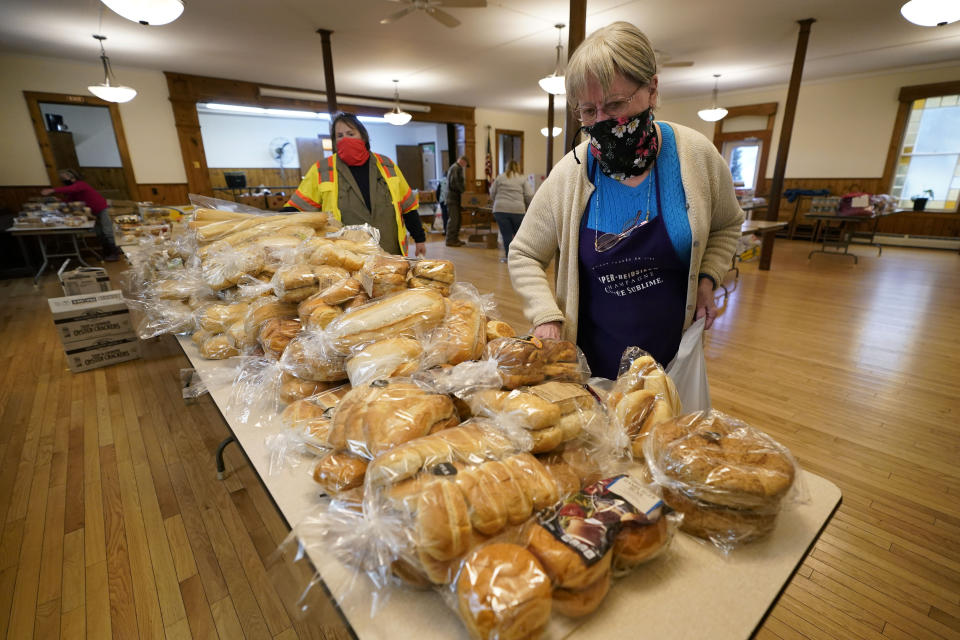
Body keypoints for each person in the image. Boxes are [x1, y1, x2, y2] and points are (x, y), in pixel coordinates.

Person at [508, 21, 744, 379]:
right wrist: (546, 316)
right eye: (588, 112)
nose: (603, 122)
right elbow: (524, 252)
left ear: (652, 88)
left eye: (615, 104)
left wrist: (709, 278)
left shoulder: (695, 156)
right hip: (590, 367)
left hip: (672, 362)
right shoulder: (570, 174)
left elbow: (726, 225)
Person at [286, 112, 426, 257]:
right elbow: (297, 208)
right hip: (347, 256)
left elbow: (408, 206)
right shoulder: (322, 169)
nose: (345, 139)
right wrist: (269, 223)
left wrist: (419, 238)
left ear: (363, 136)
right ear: (335, 141)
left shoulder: (387, 165)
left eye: (350, 133)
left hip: (390, 252)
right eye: (340, 136)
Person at [41, 169, 120, 261]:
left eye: (64, 178)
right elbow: (71, 200)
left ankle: (115, 254)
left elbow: (71, 189)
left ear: (72, 177)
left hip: (101, 209)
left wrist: (52, 190)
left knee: (108, 232)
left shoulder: (80, 184)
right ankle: (106, 253)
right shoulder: (73, 188)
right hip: (92, 212)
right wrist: (60, 201)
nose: (63, 180)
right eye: (61, 178)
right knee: (99, 233)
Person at [490, 160, 533, 262]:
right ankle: (521, 257)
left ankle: (509, 258)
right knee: (519, 235)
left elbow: (492, 192)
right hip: (517, 210)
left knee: (506, 235)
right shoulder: (522, 179)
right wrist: (528, 206)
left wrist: (496, 200)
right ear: (517, 167)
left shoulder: (500, 177)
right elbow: (529, 195)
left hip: (500, 210)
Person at [444, 155, 469, 247]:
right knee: (454, 220)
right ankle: (450, 240)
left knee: (458, 220)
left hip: (455, 199)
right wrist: (463, 192)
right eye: (465, 164)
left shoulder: (456, 168)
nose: (465, 166)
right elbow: (454, 183)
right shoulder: (455, 168)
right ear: (462, 161)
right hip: (452, 199)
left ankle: (455, 239)